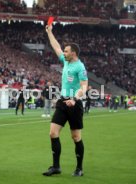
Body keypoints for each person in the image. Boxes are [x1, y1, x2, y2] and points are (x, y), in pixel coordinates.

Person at [43, 25, 88, 177]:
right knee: (52, 133)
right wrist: (50, 32)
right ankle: (56, 167)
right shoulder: (66, 61)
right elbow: (56, 46)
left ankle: (79, 168)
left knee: (76, 137)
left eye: (66, 51)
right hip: (62, 103)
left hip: (74, 104)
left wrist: (75, 99)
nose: (64, 52)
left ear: (73, 53)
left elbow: (84, 86)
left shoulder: (80, 67)